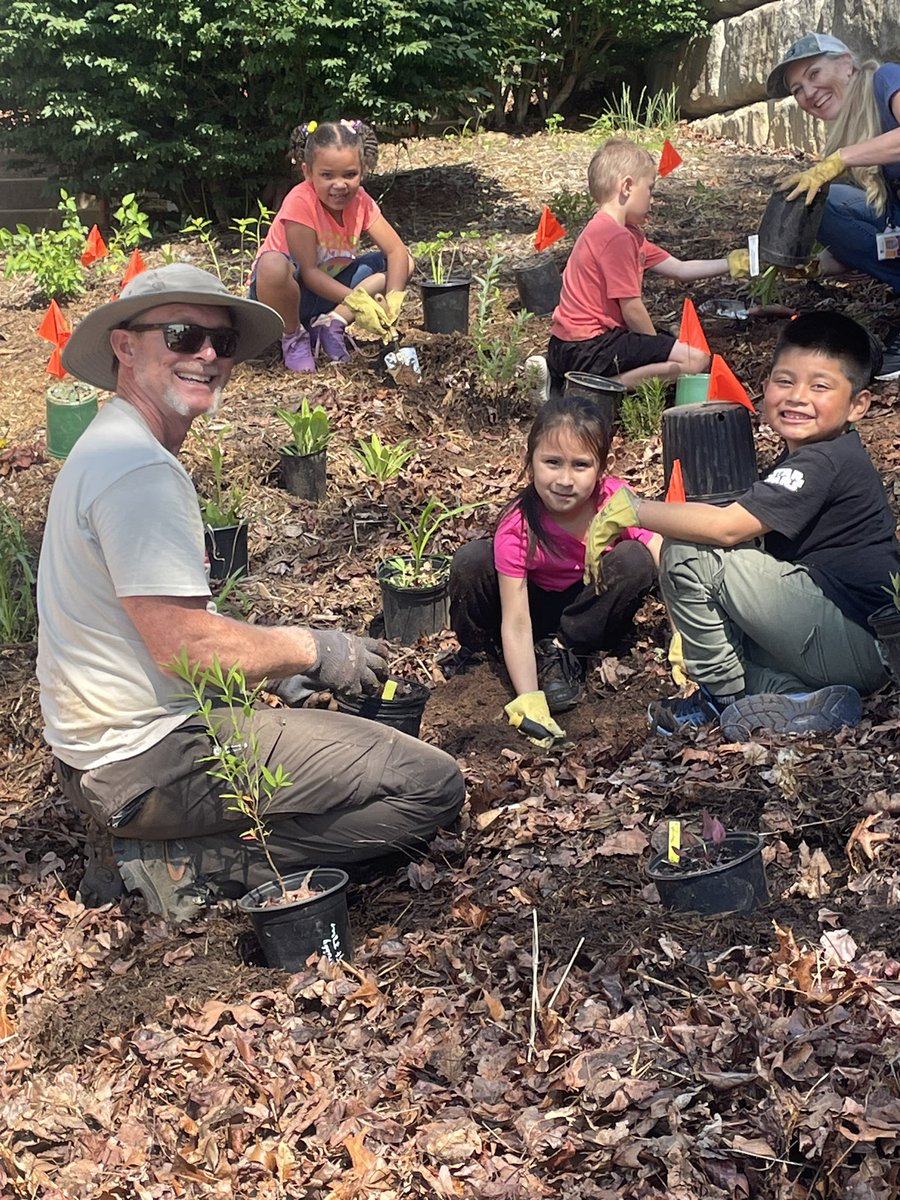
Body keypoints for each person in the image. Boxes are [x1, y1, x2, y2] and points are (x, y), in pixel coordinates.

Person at [37, 263, 465, 921]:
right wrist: (313, 650)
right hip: (144, 763)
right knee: (429, 786)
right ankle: (184, 863)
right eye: (182, 335)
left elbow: (159, 625)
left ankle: (167, 841)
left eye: (222, 341)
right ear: (125, 346)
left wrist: (268, 675)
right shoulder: (139, 473)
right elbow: (185, 648)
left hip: (99, 756)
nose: (207, 355)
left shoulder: (109, 445)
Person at [582, 311, 898, 741]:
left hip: (860, 638)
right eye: (784, 381)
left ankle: (720, 700)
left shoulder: (823, 461)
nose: (797, 396)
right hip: (852, 641)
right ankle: (800, 700)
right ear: (765, 385)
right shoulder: (818, 456)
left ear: (858, 405)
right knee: (724, 625)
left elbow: (727, 527)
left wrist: (632, 509)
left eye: (820, 385)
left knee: (689, 552)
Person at [448, 394, 661, 747]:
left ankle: (563, 650)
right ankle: (484, 654)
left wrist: (689, 626)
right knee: (472, 561)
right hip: (528, 606)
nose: (565, 479)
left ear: (602, 468)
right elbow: (515, 619)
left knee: (633, 559)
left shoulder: (614, 500)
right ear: (530, 463)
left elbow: (659, 551)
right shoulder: (519, 524)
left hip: (589, 607)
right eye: (552, 462)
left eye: (580, 465)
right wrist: (530, 699)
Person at [527, 138, 750, 400]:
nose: (652, 200)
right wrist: (653, 346)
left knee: (675, 346)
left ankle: (559, 375)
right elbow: (631, 307)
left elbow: (679, 269)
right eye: (650, 189)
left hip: (566, 344)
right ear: (628, 186)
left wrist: (731, 263)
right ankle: (592, 388)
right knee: (696, 359)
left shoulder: (619, 232)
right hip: (589, 347)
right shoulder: (616, 237)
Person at [767, 32, 900, 379]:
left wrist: (841, 159)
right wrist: (814, 267)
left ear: (846, 63)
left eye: (813, 74)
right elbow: (868, 234)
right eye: (797, 89)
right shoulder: (842, 140)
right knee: (821, 201)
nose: (808, 93)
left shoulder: (886, 79)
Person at [249, 119, 414, 372]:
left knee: (404, 265)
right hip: (281, 299)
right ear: (308, 172)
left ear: (363, 170)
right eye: (327, 175)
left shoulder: (361, 200)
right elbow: (309, 272)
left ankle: (331, 322)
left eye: (350, 175)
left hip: (324, 292)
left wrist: (393, 299)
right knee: (272, 264)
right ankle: (293, 336)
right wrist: (357, 300)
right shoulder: (301, 201)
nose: (340, 185)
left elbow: (396, 251)